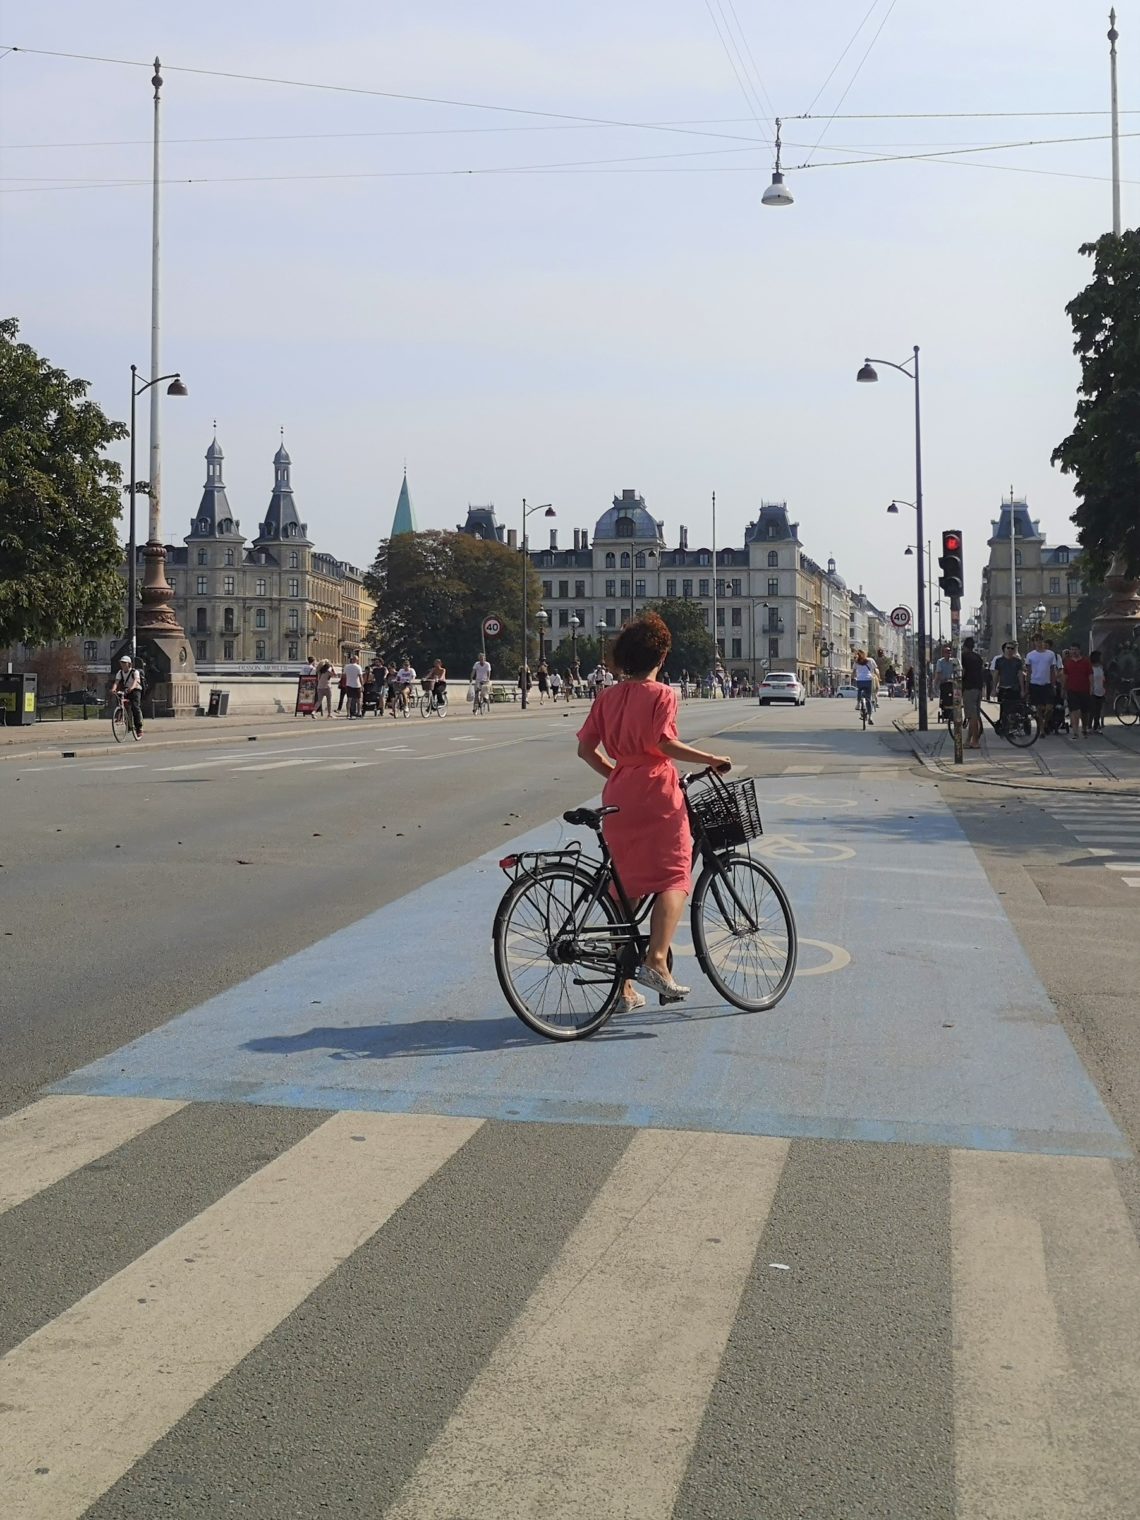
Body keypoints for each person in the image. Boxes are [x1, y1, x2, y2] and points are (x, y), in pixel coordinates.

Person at [576, 612, 731, 1007]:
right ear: (661, 657)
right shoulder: (663, 694)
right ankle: (657, 960)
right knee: (675, 876)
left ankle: (623, 988)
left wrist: (619, 771)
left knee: (623, 888)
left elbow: (584, 749)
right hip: (656, 791)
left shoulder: (606, 697)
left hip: (618, 792)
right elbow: (664, 743)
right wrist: (710, 758)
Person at [1024, 633, 1059, 733]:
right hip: (1035, 683)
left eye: (1040, 640)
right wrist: (1027, 687)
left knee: (1049, 708)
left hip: (1047, 683)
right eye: (1036, 640)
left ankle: (1045, 722)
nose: (1038, 642)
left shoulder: (1050, 654)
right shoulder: (1030, 655)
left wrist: (1054, 684)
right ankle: (1042, 728)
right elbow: (1028, 671)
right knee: (1038, 707)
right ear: (1034, 643)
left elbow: (1052, 670)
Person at [992, 641, 1026, 731]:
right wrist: (994, 689)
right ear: (1004, 649)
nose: (1010, 650)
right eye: (1008, 648)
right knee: (1003, 710)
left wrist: (1022, 690)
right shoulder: (999, 661)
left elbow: (1020, 675)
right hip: (1003, 688)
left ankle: (1013, 728)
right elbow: (996, 675)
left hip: (1014, 688)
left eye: (1012, 648)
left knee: (1014, 709)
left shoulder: (1018, 661)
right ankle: (1004, 728)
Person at [1063, 644, 1093, 737]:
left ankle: (1084, 727)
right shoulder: (1068, 663)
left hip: (1084, 689)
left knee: (1084, 711)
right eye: (1072, 650)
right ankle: (1075, 731)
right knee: (1074, 710)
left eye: (1076, 649)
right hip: (1072, 689)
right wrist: (1063, 688)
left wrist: (1092, 687)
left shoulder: (1086, 662)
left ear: (1079, 650)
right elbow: (1065, 676)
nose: (1074, 651)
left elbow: (1090, 675)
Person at [110, 655, 144, 737]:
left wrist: (132, 688)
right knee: (121, 702)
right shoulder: (120, 672)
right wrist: (113, 689)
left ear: (129, 664)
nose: (123, 665)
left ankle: (139, 728)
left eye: (124, 663)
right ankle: (126, 722)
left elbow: (136, 681)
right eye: (122, 663)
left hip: (136, 690)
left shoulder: (135, 672)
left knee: (135, 707)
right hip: (127, 690)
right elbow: (116, 682)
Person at [960, 636, 984, 748]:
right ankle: (968, 740)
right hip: (978, 688)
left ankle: (975, 741)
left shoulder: (964, 657)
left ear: (964, 646)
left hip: (969, 688)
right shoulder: (978, 657)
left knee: (972, 716)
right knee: (973, 715)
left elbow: (963, 672)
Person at [853, 649, 877, 723]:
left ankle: (858, 704)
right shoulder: (870, 660)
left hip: (859, 680)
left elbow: (854, 672)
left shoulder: (856, 662)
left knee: (859, 690)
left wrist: (853, 678)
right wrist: (878, 678)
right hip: (868, 680)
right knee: (868, 699)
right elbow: (875, 670)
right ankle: (870, 717)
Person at [933, 644, 955, 721]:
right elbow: (938, 673)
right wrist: (935, 683)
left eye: (949, 652)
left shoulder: (954, 661)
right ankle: (944, 710)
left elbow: (958, 671)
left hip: (952, 683)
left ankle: (952, 712)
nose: (948, 654)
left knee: (953, 697)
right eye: (946, 652)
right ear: (943, 653)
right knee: (944, 697)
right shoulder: (940, 661)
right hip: (944, 683)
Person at [1089, 650, 1107, 731]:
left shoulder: (1101, 667)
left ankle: (1096, 726)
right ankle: (1089, 726)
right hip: (1092, 691)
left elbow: (1103, 678)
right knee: (1092, 710)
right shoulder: (1090, 667)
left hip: (1100, 690)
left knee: (1098, 710)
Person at [342, 652, 364, 717]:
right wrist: (362, 685)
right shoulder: (358, 667)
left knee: (349, 699)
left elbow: (343, 676)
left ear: (352, 660)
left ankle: (348, 713)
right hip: (357, 685)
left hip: (349, 684)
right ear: (357, 660)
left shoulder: (346, 666)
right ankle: (359, 712)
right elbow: (360, 677)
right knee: (358, 699)